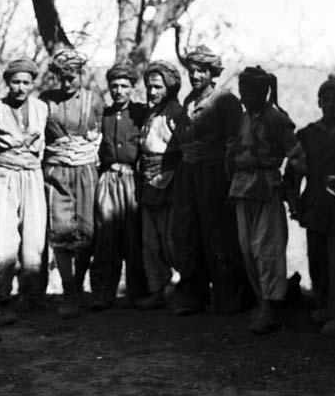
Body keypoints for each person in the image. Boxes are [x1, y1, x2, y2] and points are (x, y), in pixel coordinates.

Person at [173, 45, 253, 315]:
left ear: (212, 72)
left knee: (219, 233)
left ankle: (230, 296)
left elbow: (237, 139)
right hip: (190, 174)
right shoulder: (187, 102)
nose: (195, 76)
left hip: (215, 174)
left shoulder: (225, 100)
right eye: (192, 71)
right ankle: (194, 297)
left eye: (201, 71)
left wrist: (230, 176)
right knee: (189, 233)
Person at [229, 67, 305, 334]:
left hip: (266, 188)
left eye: (247, 92)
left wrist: (289, 186)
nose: (243, 98)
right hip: (242, 189)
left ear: (262, 91)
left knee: (267, 249)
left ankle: (272, 307)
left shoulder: (276, 120)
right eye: (241, 91)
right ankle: (263, 301)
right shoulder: (244, 118)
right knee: (248, 248)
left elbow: (297, 156)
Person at [41, 49, 103, 319]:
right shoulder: (46, 102)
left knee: (87, 231)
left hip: (87, 169)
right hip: (57, 171)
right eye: (62, 78)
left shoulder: (94, 101)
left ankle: (79, 286)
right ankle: (68, 291)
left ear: (81, 74)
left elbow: (97, 136)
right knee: (61, 228)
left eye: (72, 78)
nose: (66, 84)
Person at [0, 58, 48, 324]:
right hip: (4, 176)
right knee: (3, 240)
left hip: (33, 175)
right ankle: (3, 298)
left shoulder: (41, 108)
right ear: (7, 83)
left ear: (33, 83)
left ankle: (32, 296)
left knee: (34, 238)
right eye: (15, 82)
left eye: (26, 82)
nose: (21, 87)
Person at [285, 74, 335, 337]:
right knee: (316, 257)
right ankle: (321, 303)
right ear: (319, 102)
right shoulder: (307, 134)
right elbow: (293, 173)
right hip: (316, 204)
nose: (331, 105)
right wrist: (294, 201)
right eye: (326, 100)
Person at [90, 61, 148, 310]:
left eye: (124, 86)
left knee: (134, 236)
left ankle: (137, 291)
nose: (119, 91)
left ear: (133, 88)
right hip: (108, 180)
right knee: (106, 236)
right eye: (114, 86)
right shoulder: (103, 114)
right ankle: (104, 292)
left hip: (132, 180)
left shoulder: (141, 113)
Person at [135, 61, 183, 310]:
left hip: (169, 182)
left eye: (157, 87)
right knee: (150, 241)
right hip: (148, 183)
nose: (152, 92)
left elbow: (185, 148)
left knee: (171, 240)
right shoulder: (151, 113)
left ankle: (180, 291)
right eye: (148, 87)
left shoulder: (175, 112)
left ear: (170, 87)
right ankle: (157, 290)